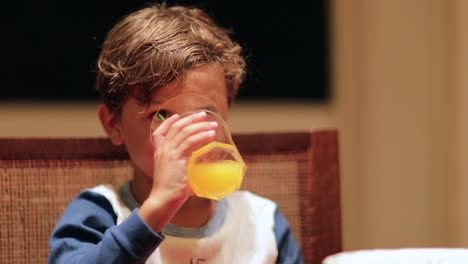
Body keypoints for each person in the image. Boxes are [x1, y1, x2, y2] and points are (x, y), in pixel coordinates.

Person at [48, 2, 303, 263]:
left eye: (205, 114)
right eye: (161, 115)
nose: (188, 135)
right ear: (114, 125)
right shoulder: (100, 214)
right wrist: (158, 207)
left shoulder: (261, 224)